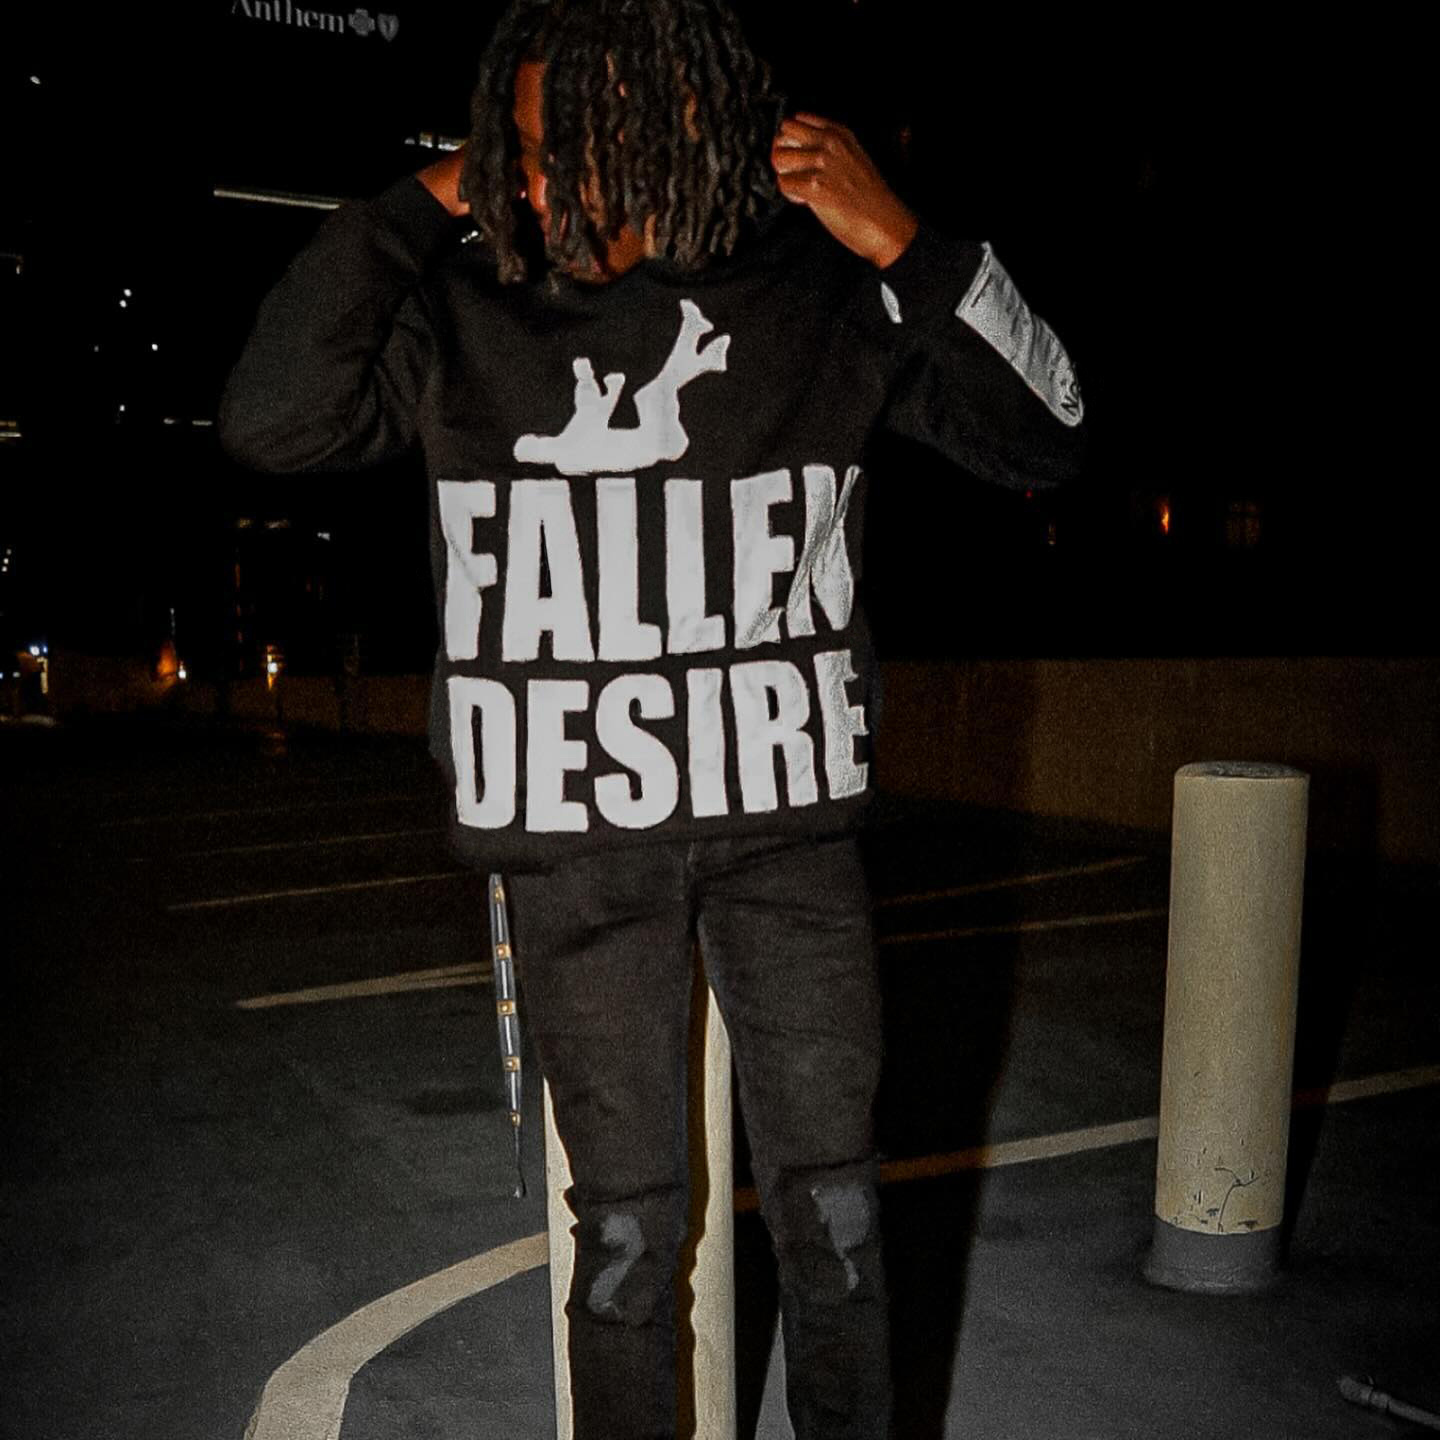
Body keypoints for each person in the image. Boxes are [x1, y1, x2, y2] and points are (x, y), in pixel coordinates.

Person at [219, 2, 1086, 1435]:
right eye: (532, 143)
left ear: (698, 125)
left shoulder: (814, 288)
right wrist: (425, 197)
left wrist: (904, 242)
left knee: (840, 1221)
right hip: (577, 851)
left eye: (597, 137)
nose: (561, 176)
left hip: (788, 835)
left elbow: (1049, 435)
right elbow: (272, 421)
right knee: (623, 1243)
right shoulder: (466, 307)